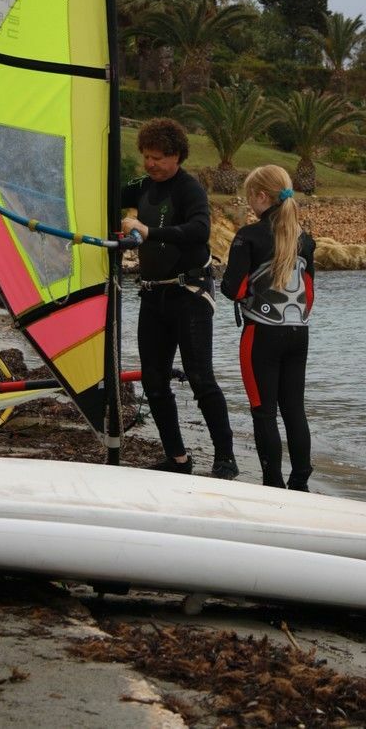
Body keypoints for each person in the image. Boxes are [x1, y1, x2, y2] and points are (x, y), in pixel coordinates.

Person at [121, 117, 239, 480]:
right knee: (154, 383)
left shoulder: (190, 189)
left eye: (157, 158)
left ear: (176, 156)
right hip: (153, 295)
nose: (151, 164)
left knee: (200, 378)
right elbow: (105, 195)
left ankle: (226, 459)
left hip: (189, 294)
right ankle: (178, 459)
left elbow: (200, 230)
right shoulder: (141, 185)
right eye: (146, 157)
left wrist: (148, 230)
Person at [221, 165, 315, 491]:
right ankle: (300, 482)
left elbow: (233, 289)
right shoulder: (305, 239)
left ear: (262, 197)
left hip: (260, 334)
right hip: (298, 334)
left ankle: (272, 484)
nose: (249, 204)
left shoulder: (249, 236)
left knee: (264, 413)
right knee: (294, 411)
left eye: (250, 198)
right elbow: (309, 292)